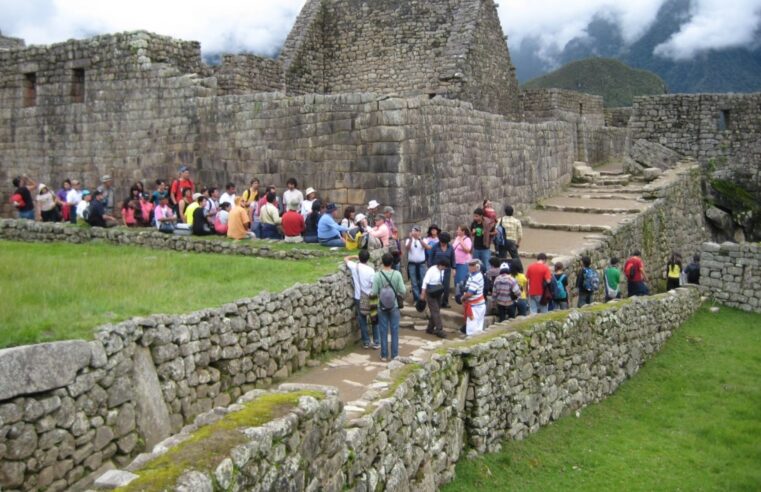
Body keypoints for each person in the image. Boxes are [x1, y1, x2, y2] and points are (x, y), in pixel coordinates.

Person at [372, 253, 406, 361]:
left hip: (381, 306)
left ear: (382, 262)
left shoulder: (377, 275)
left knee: (383, 330)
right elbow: (403, 290)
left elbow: (373, 292)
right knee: (395, 330)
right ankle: (395, 355)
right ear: (392, 263)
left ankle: (384, 355)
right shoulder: (397, 274)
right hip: (394, 305)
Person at [345, 251, 380, 349]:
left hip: (359, 297)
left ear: (359, 258)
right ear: (368, 259)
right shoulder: (371, 270)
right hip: (371, 297)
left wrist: (353, 256)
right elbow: (374, 284)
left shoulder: (354, 267)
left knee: (362, 319)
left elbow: (346, 259)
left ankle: (366, 342)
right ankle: (376, 341)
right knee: (374, 319)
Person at [421, 259, 449, 338]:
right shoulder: (431, 270)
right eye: (444, 267)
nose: (444, 269)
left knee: (436, 310)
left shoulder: (442, 271)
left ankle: (430, 328)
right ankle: (439, 329)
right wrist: (423, 293)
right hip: (430, 291)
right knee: (435, 310)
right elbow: (425, 281)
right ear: (441, 265)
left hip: (438, 291)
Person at [429, 232, 455, 308]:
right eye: (442, 242)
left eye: (445, 243)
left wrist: (454, 268)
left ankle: (445, 302)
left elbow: (453, 259)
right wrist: (431, 268)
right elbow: (430, 258)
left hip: (447, 269)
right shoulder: (435, 247)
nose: (443, 244)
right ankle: (437, 302)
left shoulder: (450, 248)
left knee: (446, 286)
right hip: (436, 269)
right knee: (437, 286)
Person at [462, 258, 487, 336]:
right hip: (477, 305)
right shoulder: (472, 275)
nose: (469, 267)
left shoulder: (477, 277)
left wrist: (462, 298)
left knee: (471, 328)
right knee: (478, 327)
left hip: (475, 307)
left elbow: (470, 293)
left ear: (477, 267)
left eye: (471, 265)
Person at [405, 225, 429, 303]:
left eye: (416, 230)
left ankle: (422, 297)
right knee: (414, 282)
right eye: (413, 230)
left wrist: (419, 239)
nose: (414, 232)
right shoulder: (408, 240)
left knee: (422, 281)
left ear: (419, 232)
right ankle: (416, 299)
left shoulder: (424, 239)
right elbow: (407, 248)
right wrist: (411, 239)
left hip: (421, 264)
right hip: (412, 264)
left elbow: (426, 247)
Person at [471, 208, 494, 274]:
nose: (475, 217)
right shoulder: (474, 223)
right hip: (476, 248)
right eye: (474, 216)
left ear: (481, 216)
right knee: (475, 265)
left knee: (486, 265)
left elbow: (495, 232)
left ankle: (487, 280)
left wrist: (486, 233)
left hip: (485, 248)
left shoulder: (487, 223)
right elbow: (472, 234)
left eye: (476, 216)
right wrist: (473, 232)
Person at [452, 225, 473, 295]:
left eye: (458, 230)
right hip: (456, 262)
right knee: (456, 279)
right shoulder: (457, 238)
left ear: (463, 231)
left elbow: (468, 250)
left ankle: (462, 294)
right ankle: (457, 294)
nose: (457, 231)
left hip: (463, 262)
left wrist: (461, 241)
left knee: (461, 279)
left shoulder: (467, 239)